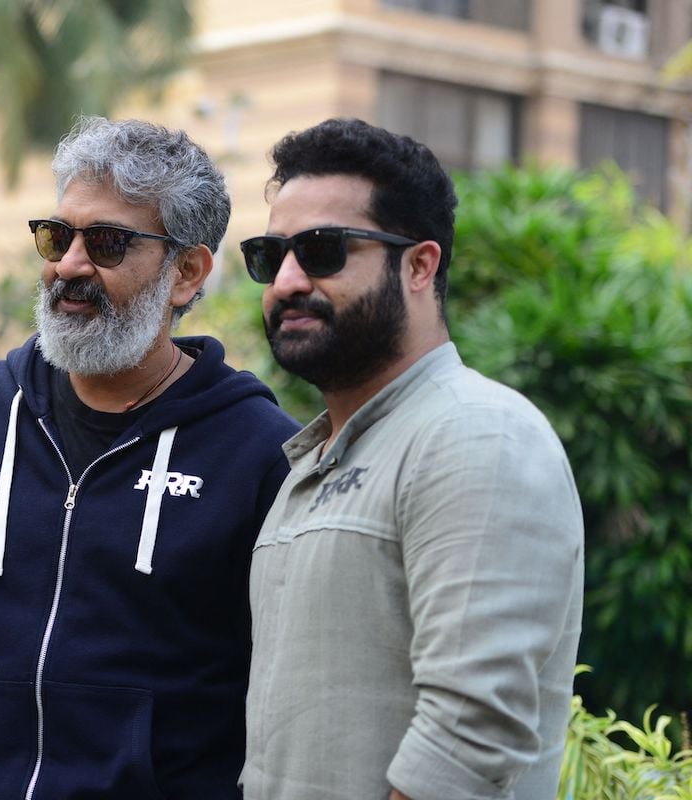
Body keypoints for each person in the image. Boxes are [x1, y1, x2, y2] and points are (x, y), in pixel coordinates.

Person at [0, 116, 301, 799]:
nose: (68, 265)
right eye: (56, 236)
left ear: (187, 272)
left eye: (107, 243)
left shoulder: (256, 452)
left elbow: (274, 703)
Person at [238, 117, 584, 800]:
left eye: (323, 250)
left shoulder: (479, 436)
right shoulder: (309, 464)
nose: (286, 280)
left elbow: (469, 738)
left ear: (420, 265)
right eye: (269, 255)